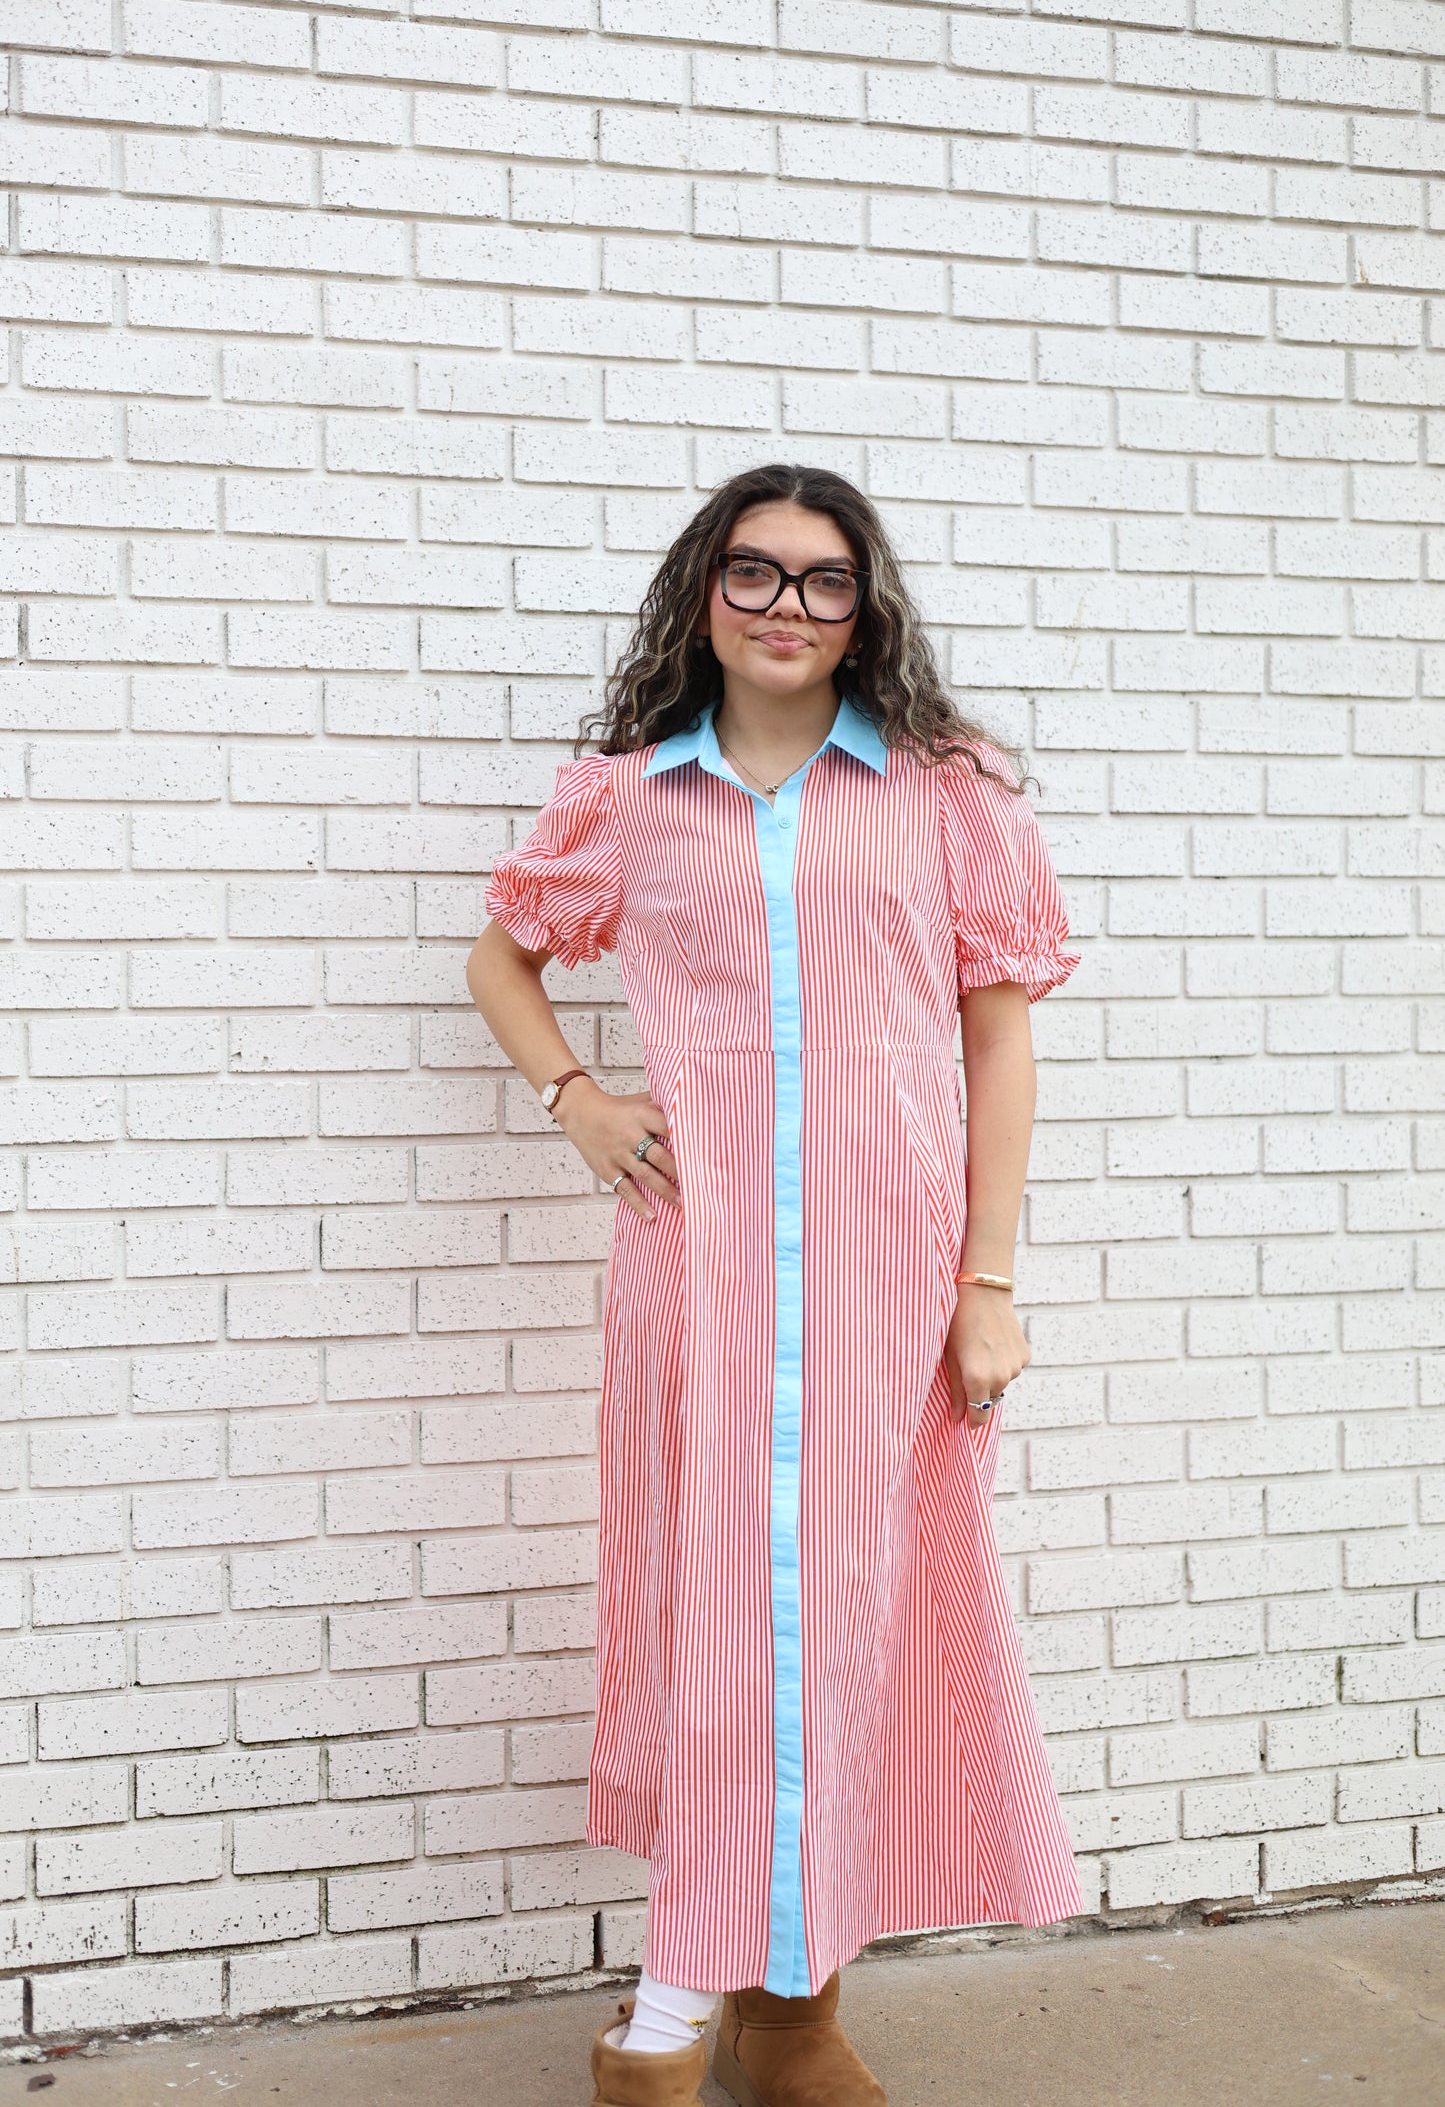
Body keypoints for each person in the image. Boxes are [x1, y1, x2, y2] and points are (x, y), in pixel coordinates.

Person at [467, 464, 1083, 2107]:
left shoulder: (948, 792)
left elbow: (998, 1033)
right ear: (702, 592)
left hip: (893, 1281)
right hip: (702, 1272)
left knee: (860, 1626)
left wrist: (988, 1279)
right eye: (755, 573)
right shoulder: (630, 801)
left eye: (823, 580)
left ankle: (786, 2008)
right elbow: (503, 955)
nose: (788, 608)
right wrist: (577, 1102)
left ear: (863, 606)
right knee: (728, 1624)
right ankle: (682, 2006)